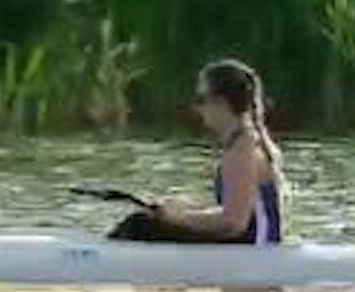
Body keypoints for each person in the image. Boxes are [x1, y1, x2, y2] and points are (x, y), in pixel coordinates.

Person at [109, 59, 287, 244]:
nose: (198, 108)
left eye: (201, 99)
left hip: (252, 252)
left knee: (141, 225)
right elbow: (235, 213)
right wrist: (186, 213)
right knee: (148, 222)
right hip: (248, 246)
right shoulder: (246, 142)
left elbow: (234, 223)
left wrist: (178, 218)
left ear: (221, 102)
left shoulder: (242, 150)